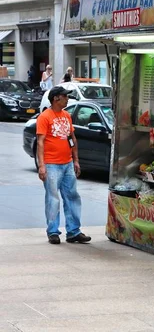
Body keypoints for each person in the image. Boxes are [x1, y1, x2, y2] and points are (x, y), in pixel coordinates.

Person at [36, 85, 91, 245]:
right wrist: (42, 165)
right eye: (65, 96)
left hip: (67, 164)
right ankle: (53, 232)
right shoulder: (45, 117)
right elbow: (40, 142)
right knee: (53, 199)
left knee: (72, 196)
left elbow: (72, 138)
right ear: (56, 99)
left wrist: (76, 160)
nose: (67, 99)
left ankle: (74, 231)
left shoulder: (66, 115)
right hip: (51, 164)